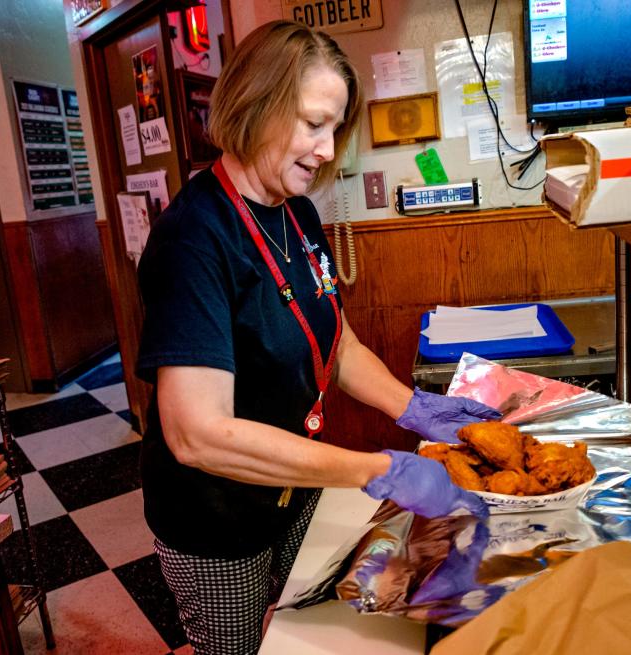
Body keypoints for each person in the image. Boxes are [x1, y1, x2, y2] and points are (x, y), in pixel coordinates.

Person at [136, 20, 500, 655]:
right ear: (255, 104)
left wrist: (409, 407)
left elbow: (339, 344)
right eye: (313, 123)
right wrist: (376, 468)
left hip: (293, 484)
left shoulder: (297, 215)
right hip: (215, 518)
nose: (329, 149)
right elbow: (197, 435)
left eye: (335, 128)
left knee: (311, 628)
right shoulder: (192, 238)